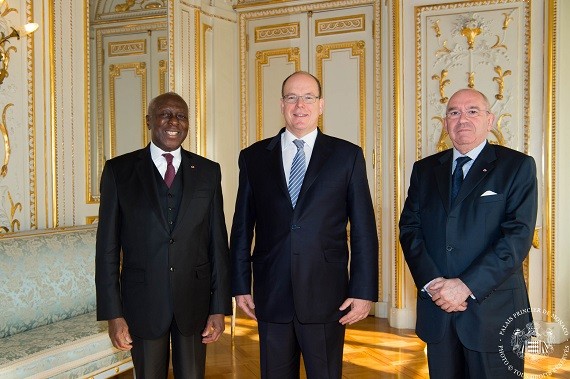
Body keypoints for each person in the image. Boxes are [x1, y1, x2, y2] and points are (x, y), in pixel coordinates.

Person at [230, 71, 379, 378]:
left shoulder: (347, 156)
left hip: (327, 294)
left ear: (321, 105)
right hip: (271, 293)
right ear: (281, 104)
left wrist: (364, 290)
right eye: (291, 97)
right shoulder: (254, 157)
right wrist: (241, 284)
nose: (300, 105)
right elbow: (242, 226)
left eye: (308, 97)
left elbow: (364, 228)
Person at [399, 88, 538, 378]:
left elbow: (517, 237)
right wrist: (434, 283)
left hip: (494, 314)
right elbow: (410, 229)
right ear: (446, 123)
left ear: (490, 120)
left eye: (472, 111)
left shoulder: (517, 166)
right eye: (454, 112)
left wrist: (465, 285)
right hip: (439, 311)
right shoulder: (424, 170)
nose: (462, 119)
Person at [95, 92, 231, 378]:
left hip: (194, 304)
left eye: (181, 116)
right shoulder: (119, 171)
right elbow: (107, 248)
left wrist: (219, 308)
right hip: (142, 303)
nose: (174, 122)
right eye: (165, 114)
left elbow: (217, 244)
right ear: (149, 121)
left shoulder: (208, 171)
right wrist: (114, 314)